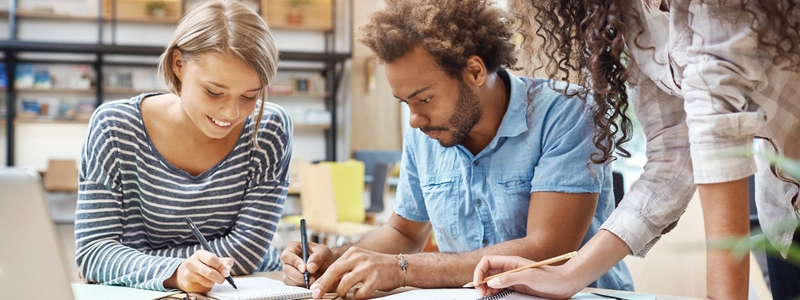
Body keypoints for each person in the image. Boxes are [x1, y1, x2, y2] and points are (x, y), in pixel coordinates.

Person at [280, 0, 633, 298]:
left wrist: (402, 269)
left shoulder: (566, 113)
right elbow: (404, 232)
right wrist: (336, 260)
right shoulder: (425, 132)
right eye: (405, 103)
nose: (415, 119)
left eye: (424, 99)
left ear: (475, 71)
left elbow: (548, 251)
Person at [473, 1, 800, 299]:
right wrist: (566, 275)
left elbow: (718, 132)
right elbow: (674, 153)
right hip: (786, 208)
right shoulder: (630, 14)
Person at [74, 0, 290, 292]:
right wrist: (175, 272)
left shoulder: (268, 130)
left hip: (249, 290)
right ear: (178, 64)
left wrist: (131, 263)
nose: (231, 113)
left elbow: (248, 251)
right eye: (214, 92)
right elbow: (93, 252)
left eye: (249, 96)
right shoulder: (114, 128)